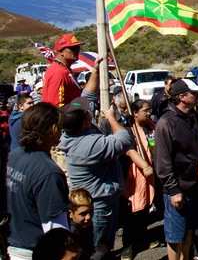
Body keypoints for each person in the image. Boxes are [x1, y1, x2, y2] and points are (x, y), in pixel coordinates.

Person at [59, 97, 132, 258]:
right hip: (98, 205)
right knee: (99, 249)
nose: (89, 113)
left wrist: (96, 72)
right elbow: (125, 140)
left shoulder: (71, 134)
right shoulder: (89, 145)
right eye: (87, 114)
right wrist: (112, 117)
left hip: (94, 199)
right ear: (85, 122)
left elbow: (87, 95)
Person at [7, 103, 69, 257]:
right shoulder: (49, 173)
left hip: (12, 244)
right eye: (59, 127)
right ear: (53, 129)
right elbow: (56, 233)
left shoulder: (14, 155)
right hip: (33, 251)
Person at [155, 78, 198, 260]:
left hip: (195, 186)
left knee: (189, 232)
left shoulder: (194, 117)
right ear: (182, 97)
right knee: (175, 236)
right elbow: (163, 161)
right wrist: (173, 190)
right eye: (194, 93)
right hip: (178, 188)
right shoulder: (166, 123)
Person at [121, 100, 156, 260]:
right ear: (135, 113)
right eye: (145, 110)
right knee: (132, 211)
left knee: (145, 209)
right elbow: (128, 151)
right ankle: (128, 246)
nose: (148, 113)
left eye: (149, 110)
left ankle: (142, 239)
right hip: (134, 175)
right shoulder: (129, 130)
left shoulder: (151, 127)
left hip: (151, 173)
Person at [43, 33, 83, 107]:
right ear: (61, 52)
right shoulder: (59, 72)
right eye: (73, 48)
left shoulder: (63, 69)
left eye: (78, 48)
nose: (77, 51)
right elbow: (57, 106)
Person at [68, 189, 94, 260]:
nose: (88, 217)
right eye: (83, 214)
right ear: (71, 213)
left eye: (91, 211)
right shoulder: (70, 235)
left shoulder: (85, 225)